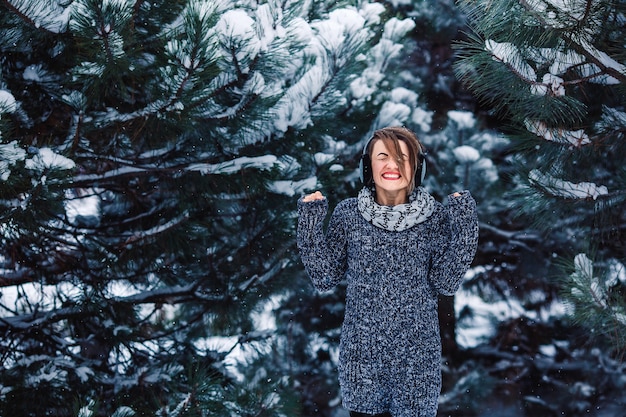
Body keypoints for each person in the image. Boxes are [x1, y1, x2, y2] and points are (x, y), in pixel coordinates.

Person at [296, 126, 479, 417]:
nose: (392, 165)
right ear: (367, 164)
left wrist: (465, 224)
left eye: (402, 157)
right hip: (362, 360)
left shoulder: (435, 218)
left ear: (417, 167)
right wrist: (310, 220)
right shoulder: (348, 214)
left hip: (417, 363)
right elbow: (324, 276)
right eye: (383, 156)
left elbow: (446, 281)